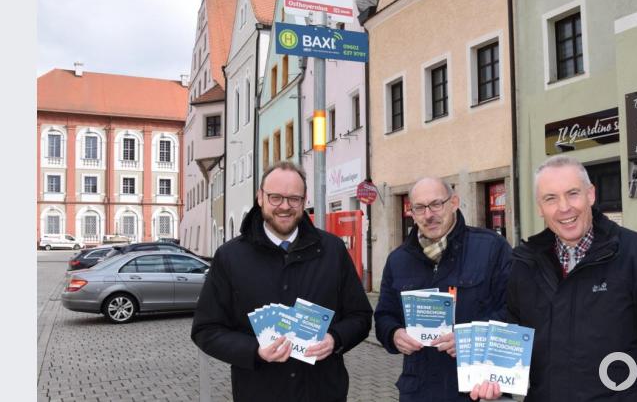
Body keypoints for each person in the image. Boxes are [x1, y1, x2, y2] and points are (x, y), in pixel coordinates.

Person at [471, 155, 637, 401]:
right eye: (550, 198)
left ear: (591, 195)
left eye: (572, 193)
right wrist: (495, 381)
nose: (564, 207)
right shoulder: (524, 264)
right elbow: (511, 341)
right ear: (540, 208)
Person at [191, 162, 372, 402]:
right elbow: (206, 330)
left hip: (323, 392)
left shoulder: (333, 250)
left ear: (304, 200)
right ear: (260, 197)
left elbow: (360, 316)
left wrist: (335, 339)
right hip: (258, 393)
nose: (285, 206)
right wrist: (254, 350)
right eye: (275, 197)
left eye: (294, 198)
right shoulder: (230, 256)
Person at [374, 176, 513, 401]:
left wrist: (471, 339)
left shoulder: (491, 248)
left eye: (436, 204)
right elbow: (384, 316)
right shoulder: (398, 259)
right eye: (420, 208)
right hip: (419, 390)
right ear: (412, 212)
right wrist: (394, 334)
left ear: (454, 203)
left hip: (478, 390)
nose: (429, 215)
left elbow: (515, 310)